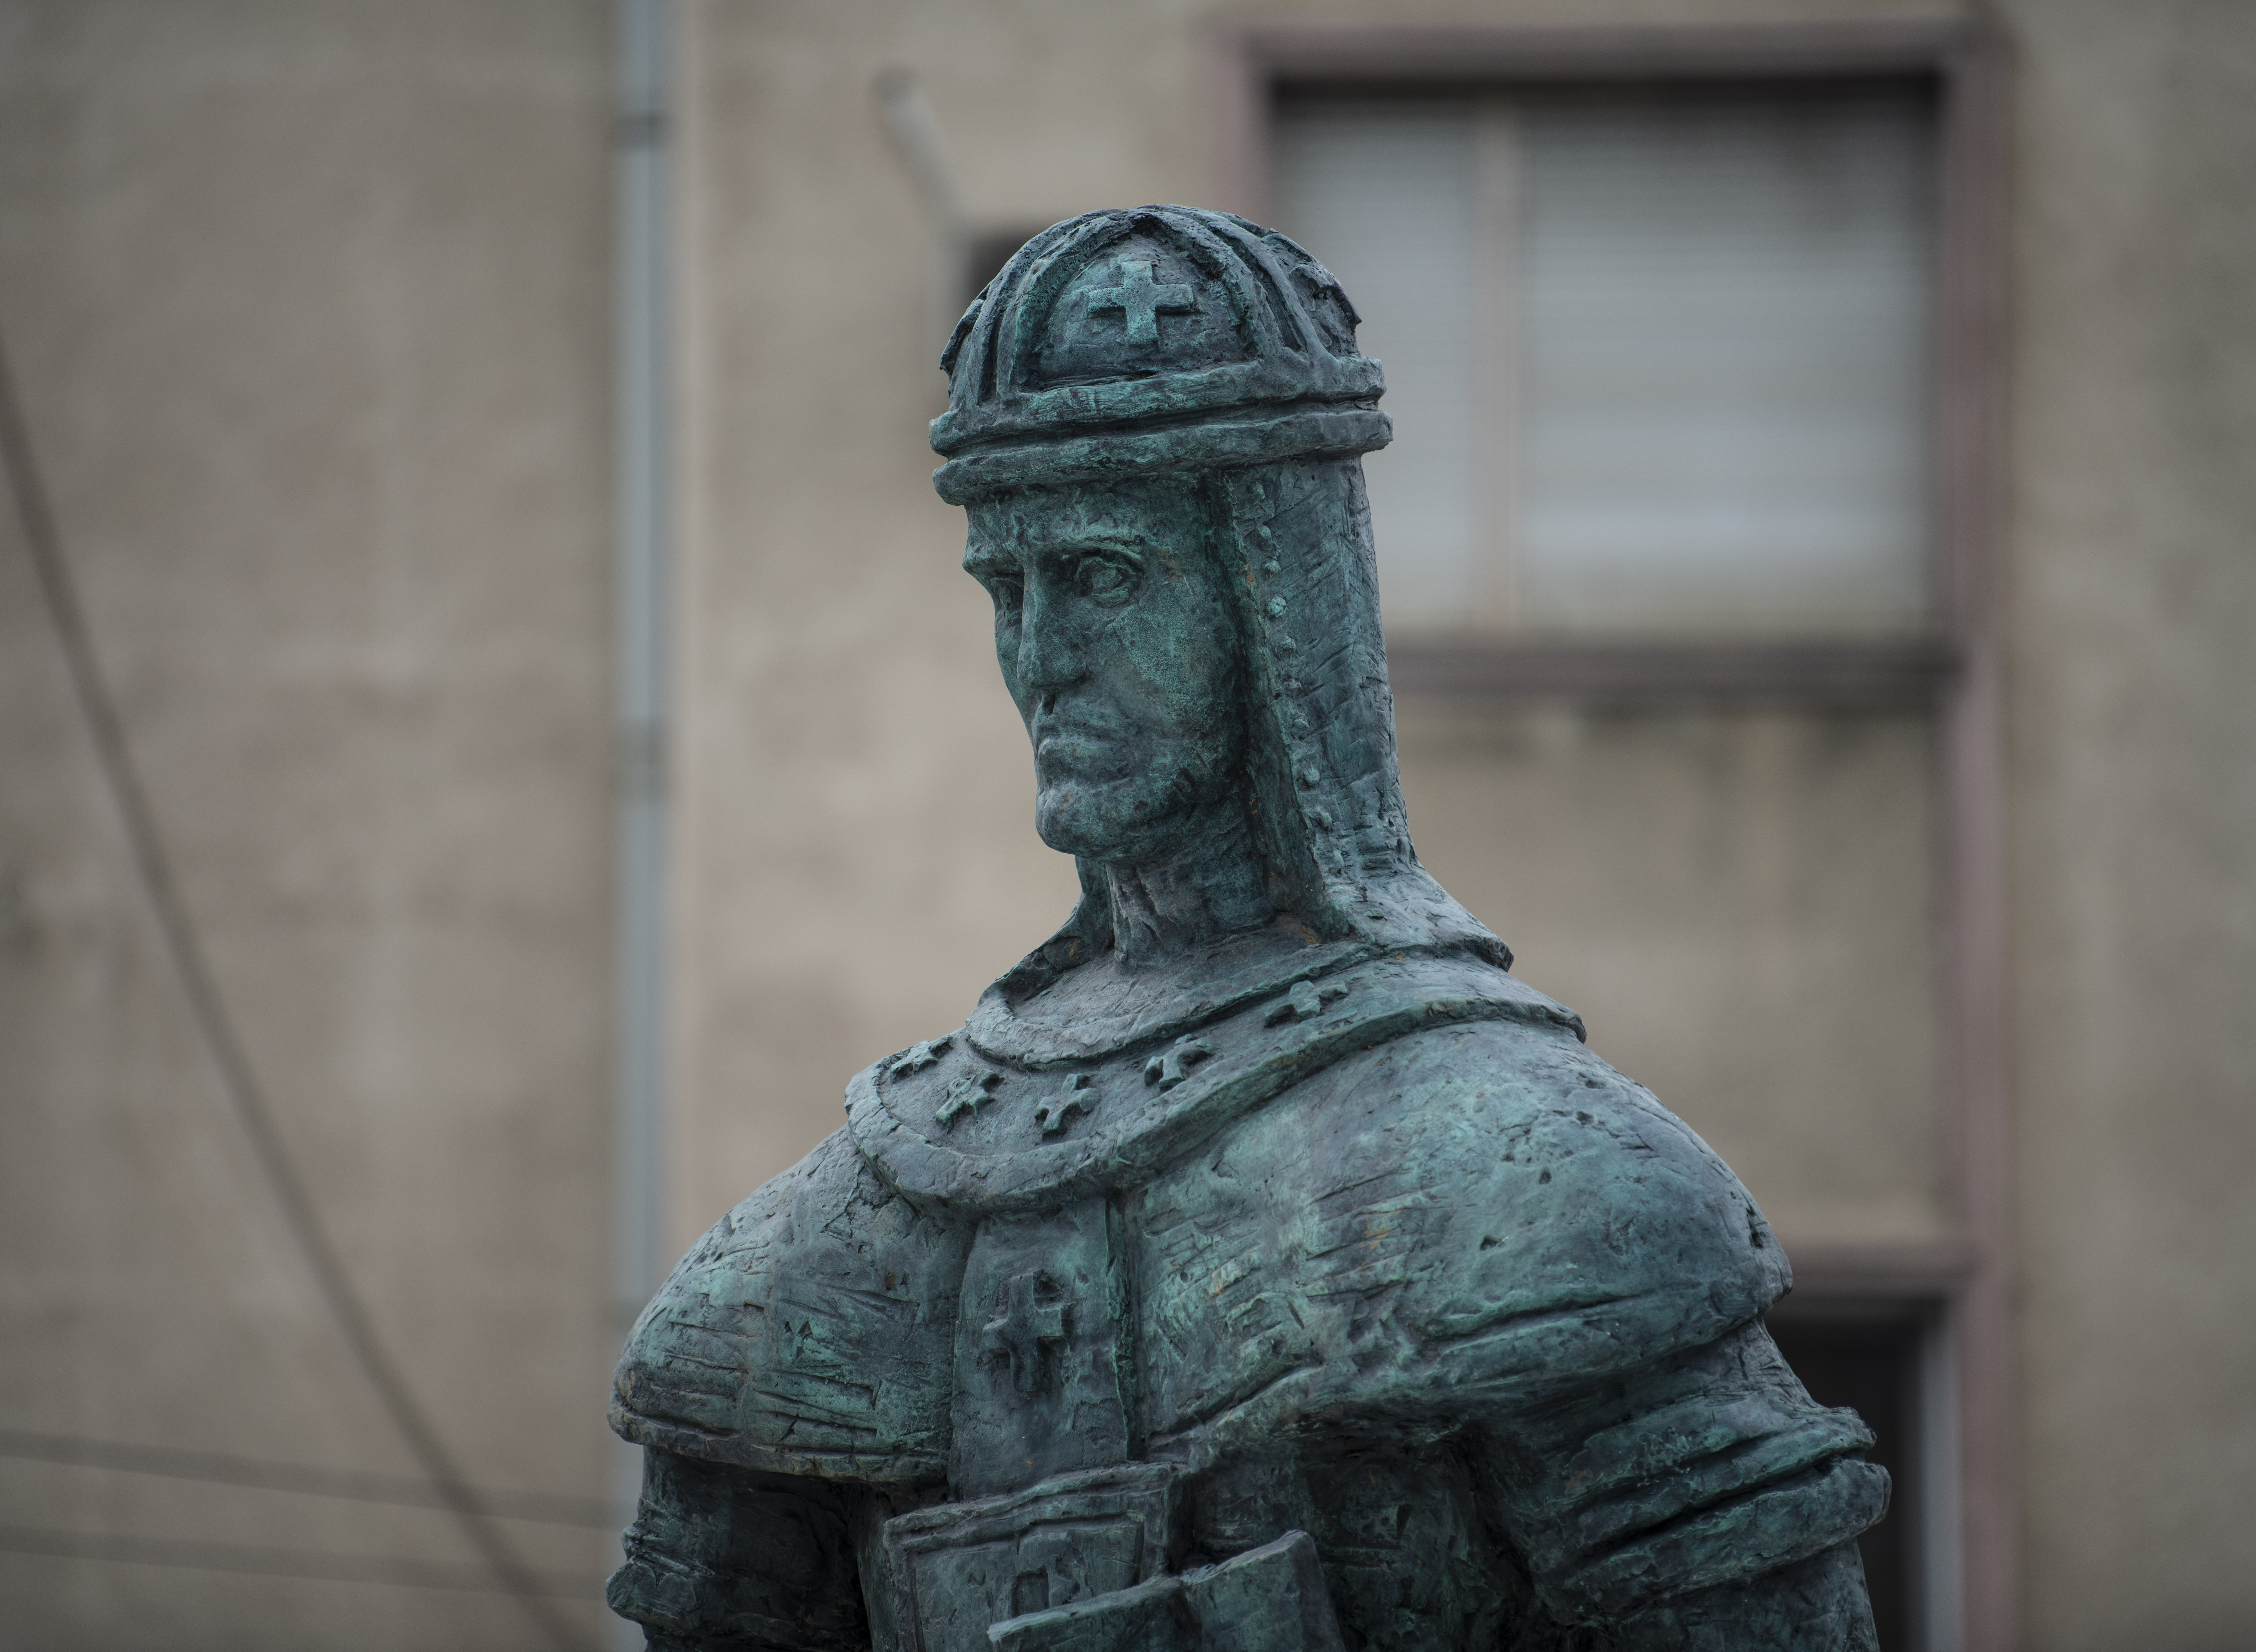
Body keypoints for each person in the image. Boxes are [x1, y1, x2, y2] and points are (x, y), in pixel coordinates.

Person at [606, 205, 1886, 1652]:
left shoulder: (1556, 1185)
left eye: (1100, 576)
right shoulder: (831, 1239)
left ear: (1275, 593)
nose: (1041, 662)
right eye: (1006, 589)